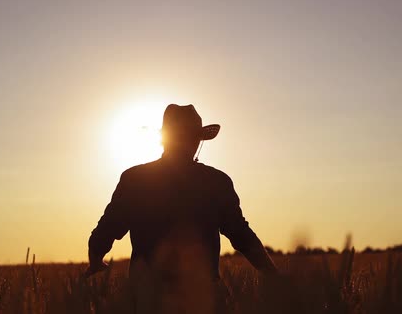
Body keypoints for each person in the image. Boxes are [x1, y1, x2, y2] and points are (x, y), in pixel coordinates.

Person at [86, 104, 277, 313]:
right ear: (197, 141)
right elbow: (241, 235)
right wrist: (275, 276)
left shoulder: (135, 179)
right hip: (203, 300)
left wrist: (96, 261)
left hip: (147, 300)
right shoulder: (217, 182)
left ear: (163, 139)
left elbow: (106, 231)